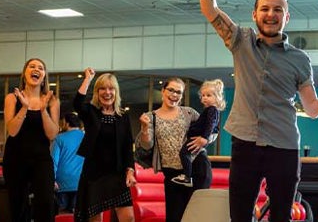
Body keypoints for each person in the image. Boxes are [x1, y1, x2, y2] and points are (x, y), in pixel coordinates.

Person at [197, 0, 318, 222]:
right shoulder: (241, 41)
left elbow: (312, 109)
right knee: (240, 216)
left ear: (286, 17)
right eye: (265, 9)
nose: (271, 14)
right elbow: (210, 9)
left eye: (277, 10)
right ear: (255, 15)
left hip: (284, 146)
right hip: (245, 143)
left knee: (281, 216)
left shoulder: (299, 59)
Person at [138, 77, 213, 222]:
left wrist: (205, 139)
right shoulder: (151, 117)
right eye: (171, 90)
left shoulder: (189, 113)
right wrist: (144, 128)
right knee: (174, 217)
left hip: (196, 168)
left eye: (178, 92)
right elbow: (147, 145)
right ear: (162, 91)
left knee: (197, 216)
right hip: (172, 173)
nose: (174, 95)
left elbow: (212, 129)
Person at [73, 68, 136, 222]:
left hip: (117, 172)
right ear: (97, 91)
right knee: (95, 218)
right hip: (94, 173)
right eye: (102, 88)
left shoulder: (123, 116)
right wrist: (88, 79)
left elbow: (128, 146)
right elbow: (77, 103)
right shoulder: (91, 112)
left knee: (128, 218)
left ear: (116, 92)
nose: (107, 92)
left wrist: (130, 170)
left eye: (111, 88)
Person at [2, 58, 60, 222]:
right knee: (18, 207)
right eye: (32, 66)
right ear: (24, 73)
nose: (36, 69)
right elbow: (12, 131)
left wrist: (43, 110)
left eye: (40, 68)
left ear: (44, 76)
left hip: (41, 159)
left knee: (46, 204)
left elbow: (52, 134)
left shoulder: (52, 101)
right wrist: (25, 107)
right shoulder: (12, 98)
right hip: (15, 158)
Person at [172, 79, 226, 187]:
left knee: (184, 153)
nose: (205, 98)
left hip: (197, 139)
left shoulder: (212, 110)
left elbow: (211, 125)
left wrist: (205, 138)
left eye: (209, 95)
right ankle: (187, 175)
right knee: (185, 154)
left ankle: (187, 176)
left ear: (217, 98)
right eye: (203, 95)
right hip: (196, 137)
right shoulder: (208, 110)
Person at [51, 112, 85, 214]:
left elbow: (53, 161)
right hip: (80, 181)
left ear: (66, 123)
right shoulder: (86, 138)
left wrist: (52, 179)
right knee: (78, 213)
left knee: (63, 214)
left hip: (62, 182)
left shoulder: (59, 138)